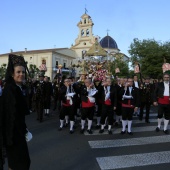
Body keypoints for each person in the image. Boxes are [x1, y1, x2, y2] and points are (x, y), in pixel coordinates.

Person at [2, 54, 31, 170]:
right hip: (14, 136)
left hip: (16, 134)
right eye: (18, 72)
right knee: (20, 164)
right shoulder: (11, 89)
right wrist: (23, 131)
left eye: (23, 72)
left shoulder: (16, 87)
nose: (21, 74)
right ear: (12, 73)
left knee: (16, 163)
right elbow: (12, 116)